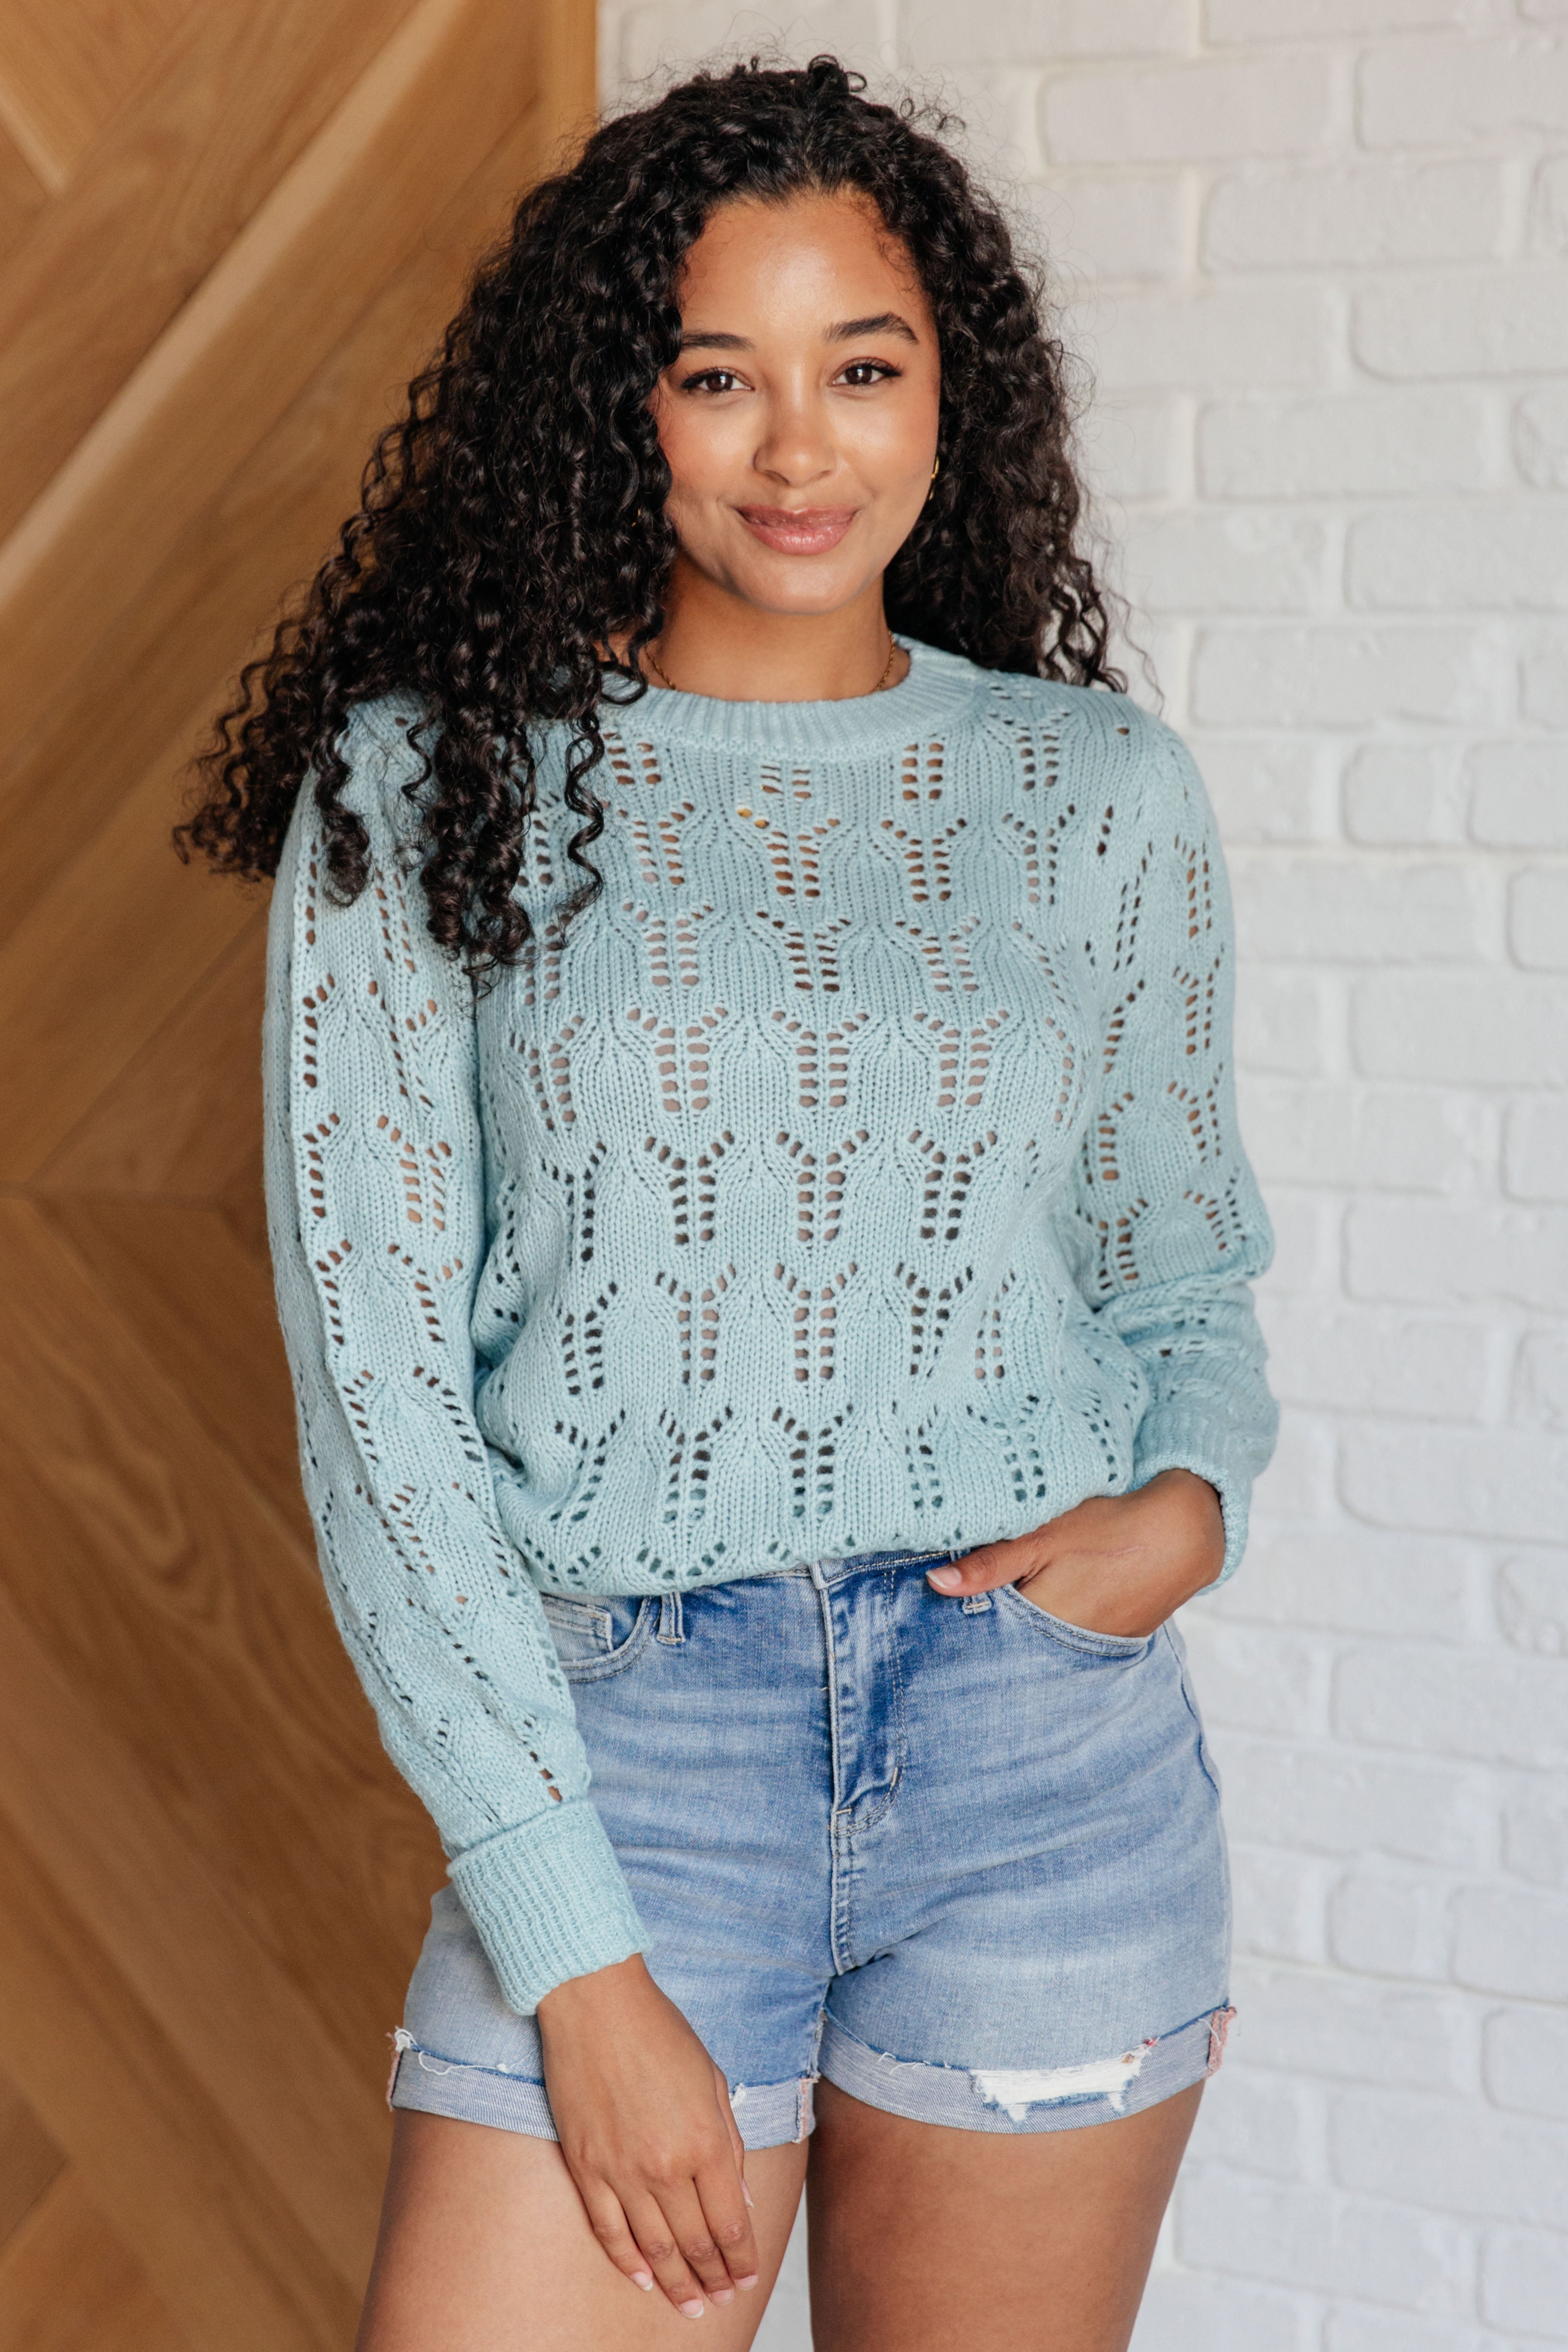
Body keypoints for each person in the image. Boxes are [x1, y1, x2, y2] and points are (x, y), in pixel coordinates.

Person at [177, 55, 1277, 2352]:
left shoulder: (1089, 791)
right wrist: (576, 1948)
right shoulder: (425, 784)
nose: (801, 449)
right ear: (615, 411)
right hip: (619, 1753)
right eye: (717, 377)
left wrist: (1195, 1499)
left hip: (1038, 1764)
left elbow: (1178, 1255)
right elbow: (381, 1403)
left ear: (945, 388)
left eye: (860, 368)